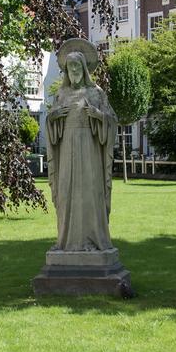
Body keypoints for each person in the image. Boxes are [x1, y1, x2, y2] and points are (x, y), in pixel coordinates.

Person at [45, 38, 117, 252]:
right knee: (66, 192)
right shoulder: (61, 94)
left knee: (90, 192)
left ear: (84, 68)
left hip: (89, 151)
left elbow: (112, 120)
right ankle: (68, 241)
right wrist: (54, 116)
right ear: (66, 70)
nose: (73, 70)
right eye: (70, 67)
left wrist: (99, 116)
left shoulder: (96, 93)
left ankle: (93, 239)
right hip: (66, 149)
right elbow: (50, 121)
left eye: (77, 66)